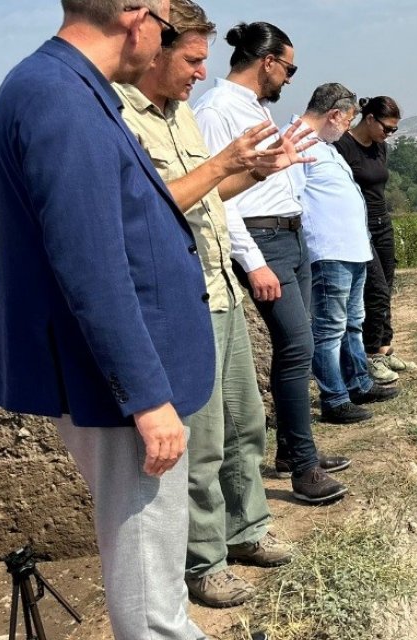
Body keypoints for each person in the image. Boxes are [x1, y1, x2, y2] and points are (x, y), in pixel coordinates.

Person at [0, 0, 214, 636]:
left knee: (154, 564)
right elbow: (92, 264)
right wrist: (145, 396)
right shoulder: (59, 97)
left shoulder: (66, 87)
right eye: (167, 27)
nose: (166, 42)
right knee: (147, 576)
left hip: (117, 377)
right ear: (136, 14)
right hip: (114, 385)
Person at [115, 0, 310, 608]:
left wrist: (251, 170)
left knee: (245, 426)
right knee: (200, 442)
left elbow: (207, 194)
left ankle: (247, 528)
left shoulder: (181, 119)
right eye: (193, 60)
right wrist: (226, 162)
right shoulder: (123, 117)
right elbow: (145, 208)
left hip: (218, 289)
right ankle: (204, 562)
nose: (203, 73)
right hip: (183, 299)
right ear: (156, 50)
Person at [194, 21, 350, 504]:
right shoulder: (217, 110)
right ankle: (303, 469)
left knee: (295, 350)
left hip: (289, 235)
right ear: (267, 62)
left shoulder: (252, 108)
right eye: (289, 68)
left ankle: (292, 450)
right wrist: (254, 261)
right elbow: (217, 199)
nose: (289, 80)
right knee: (298, 344)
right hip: (262, 241)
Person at [291, 83, 399, 424]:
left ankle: (358, 382)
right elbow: (290, 200)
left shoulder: (324, 146)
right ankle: (335, 399)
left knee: (353, 323)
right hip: (329, 251)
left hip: (353, 250)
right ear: (335, 114)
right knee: (330, 328)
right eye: (349, 117)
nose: (348, 126)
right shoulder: (294, 142)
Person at [335, 95, 405, 385]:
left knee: (386, 285)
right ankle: (371, 354)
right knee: (373, 289)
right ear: (370, 118)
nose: (387, 135)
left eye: (393, 131)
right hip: (357, 226)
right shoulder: (342, 147)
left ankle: (384, 346)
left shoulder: (380, 149)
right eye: (386, 128)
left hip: (382, 223)